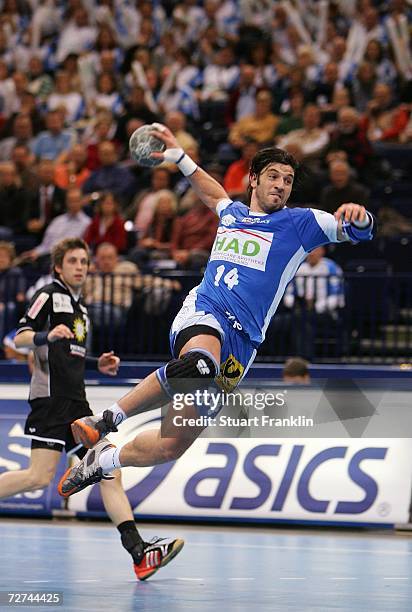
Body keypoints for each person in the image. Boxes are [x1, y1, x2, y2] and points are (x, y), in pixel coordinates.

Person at [57, 124, 376, 498]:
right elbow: (214, 194)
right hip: (206, 312)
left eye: (288, 180)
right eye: (273, 176)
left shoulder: (300, 223)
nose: (281, 185)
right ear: (253, 180)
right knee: (200, 363)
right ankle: (105, 419)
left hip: (243, 344)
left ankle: (103, 461)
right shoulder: (234, 214)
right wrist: (178, 156)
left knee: (171, 444)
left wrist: (359, 216)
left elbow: (356, 231)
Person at [6, 237, 183, 580]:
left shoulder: (81, 309)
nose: (80, 267)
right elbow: (20, 337)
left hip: (78, 404)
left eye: (84, 262)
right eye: (73, 261)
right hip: (50, 401)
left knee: (109, 469)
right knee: (37, 477)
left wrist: (95, 363)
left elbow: (68, 355)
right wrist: (45, 336)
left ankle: (139, 552)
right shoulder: (49, 295)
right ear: (59, 266)